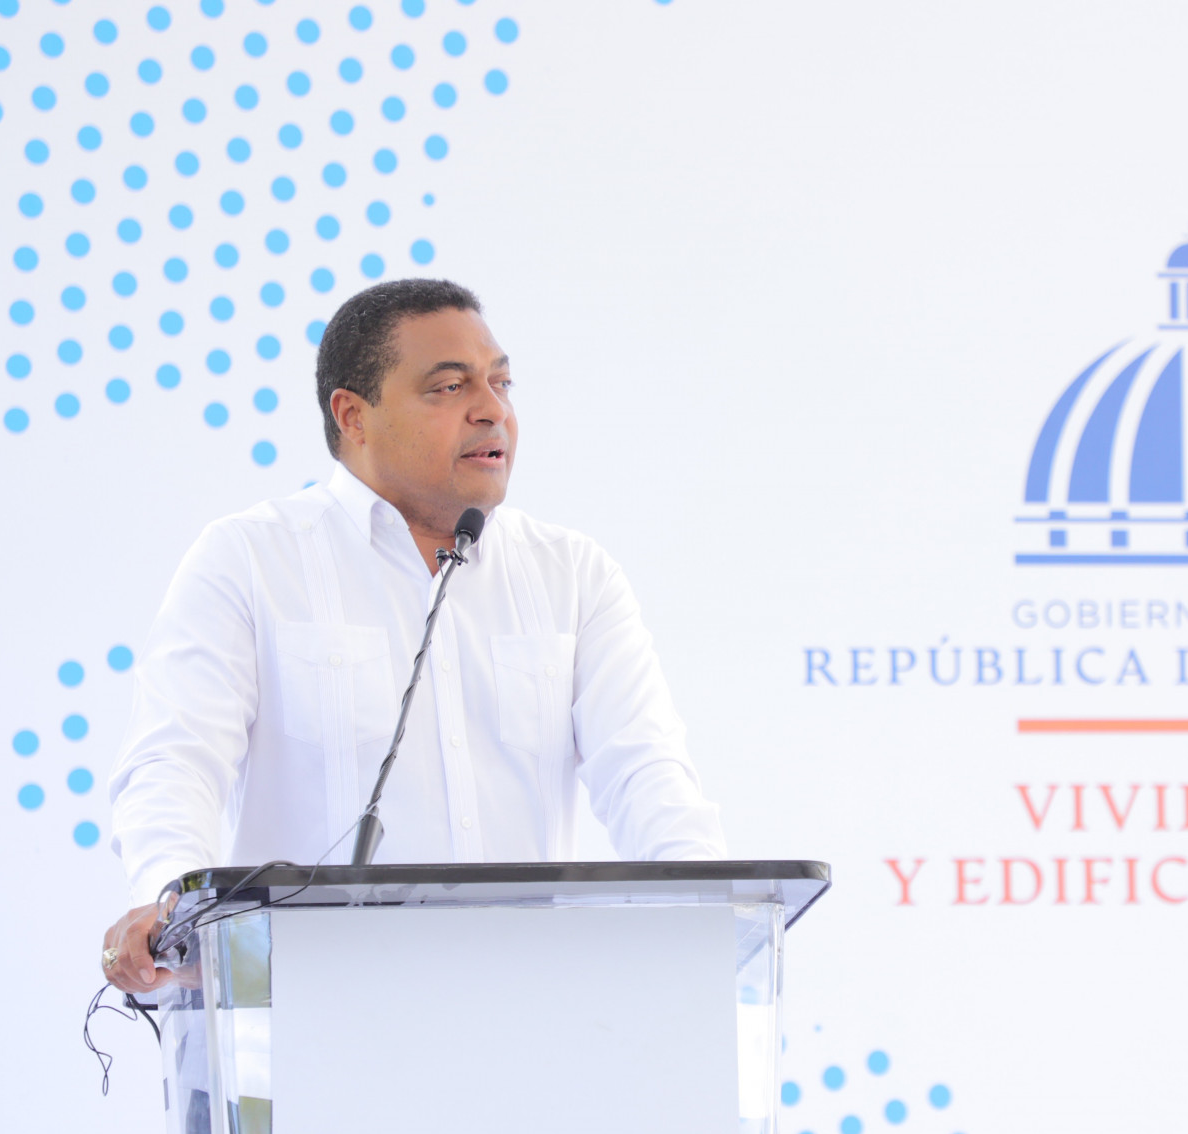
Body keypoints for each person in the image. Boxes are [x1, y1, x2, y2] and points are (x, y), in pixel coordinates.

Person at [97, 279, 726, 992]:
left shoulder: (573, 574)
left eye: (501, 383)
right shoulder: (250, 559)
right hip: (308, 1008)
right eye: (450, 387)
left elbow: (645, 771)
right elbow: (175, 762)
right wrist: (171, 900)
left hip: (528, 1008)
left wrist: (710, 909)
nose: (492, 410)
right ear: (353, 416)